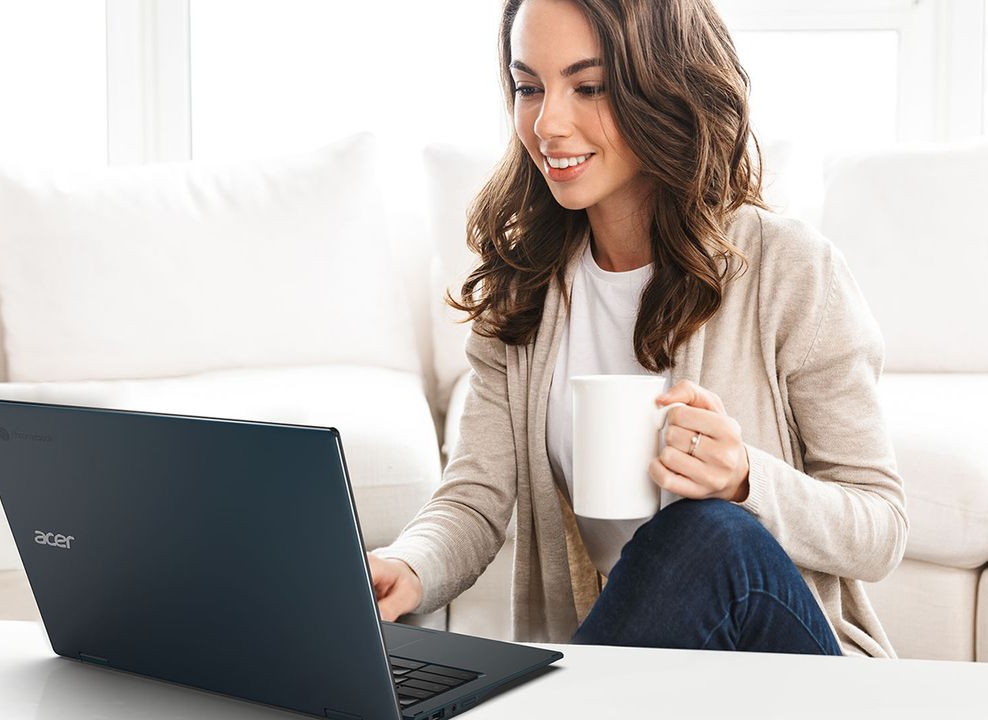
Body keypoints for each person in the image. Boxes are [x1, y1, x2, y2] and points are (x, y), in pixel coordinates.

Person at [367, 0, 907, 658]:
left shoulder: (790, 268)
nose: (548, 123)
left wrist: (744, 480)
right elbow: (475, 497)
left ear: (666, 87)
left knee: (709, 531)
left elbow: (881, 527)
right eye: (528, 87)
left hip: (782, 673)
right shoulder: (525, 285)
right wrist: (407, 566)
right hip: (634, 677)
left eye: (588, 87)